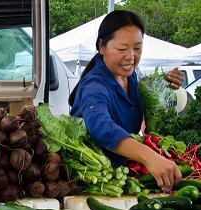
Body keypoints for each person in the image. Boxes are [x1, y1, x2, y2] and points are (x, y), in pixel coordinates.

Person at [68, 10, 184, 191]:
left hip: (126, 177)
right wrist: (149, 157)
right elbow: (101, 127)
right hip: (94, 186)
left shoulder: (131, 77)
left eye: (137, 48)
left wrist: (166, 84)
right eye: (122, 49)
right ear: (101, 46)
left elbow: (151, 99)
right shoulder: (94, 86)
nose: (131, 56)